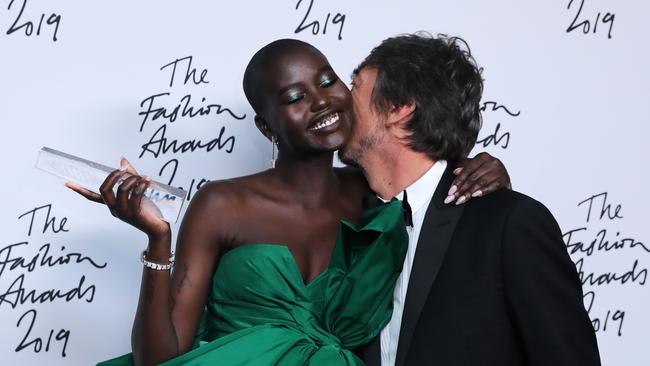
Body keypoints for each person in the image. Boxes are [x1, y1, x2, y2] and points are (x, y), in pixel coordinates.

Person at [68, 39, 511, 366]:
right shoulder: (221, 204)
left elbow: (441, 224)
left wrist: (479, 169)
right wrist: (158, 239)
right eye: (295, 98)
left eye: (326, 81)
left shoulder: (379, 197)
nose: (321, 102)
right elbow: (160, 359)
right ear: (266, 127)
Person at [338, 33, 601, 366]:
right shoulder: (348, 221)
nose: (340, 99)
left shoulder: (510, 224)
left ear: (398, 109)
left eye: (355, 85)